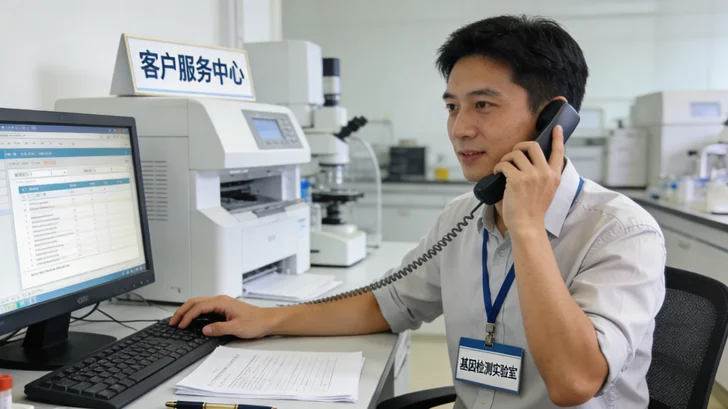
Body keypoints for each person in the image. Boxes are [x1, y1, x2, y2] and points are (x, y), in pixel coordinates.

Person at [170, 14, 666, 408]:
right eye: (452, 107)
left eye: (483, 106)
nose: (460, 129)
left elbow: (574, 382)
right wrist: (267, 318)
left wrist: (528, 229)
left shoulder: (620, 231)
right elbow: (387, 304)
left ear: (551, 119)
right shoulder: (463, 216)